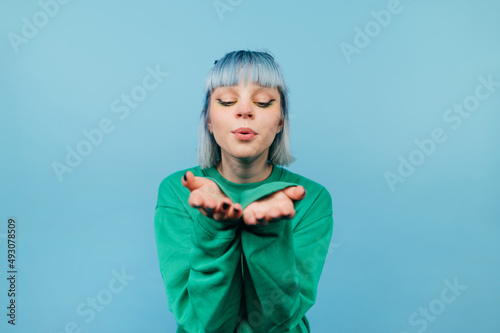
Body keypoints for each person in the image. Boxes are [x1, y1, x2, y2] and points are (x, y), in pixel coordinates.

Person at [154, 50, 334, 333]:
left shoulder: (310, 198)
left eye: (262, 102)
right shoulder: (178, 192)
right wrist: (214, 228)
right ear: (208, 121)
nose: (245, 110)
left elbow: (280, 319)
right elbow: (204, 324)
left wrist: (269, 235)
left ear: (280, 121)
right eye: (227, 100)